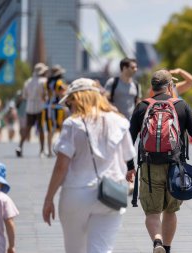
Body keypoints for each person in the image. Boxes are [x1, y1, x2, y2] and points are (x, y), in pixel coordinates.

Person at [42, 78, 136, 253]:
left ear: (77, 99)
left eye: (69, 103)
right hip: (111, 193)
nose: (70, 108)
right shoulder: (120, 121)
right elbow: (128, 157)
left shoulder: (73, 123)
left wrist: (49, 199)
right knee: (101, 250)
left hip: (76, 193)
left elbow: (61, 166)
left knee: (75, 249)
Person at [126, 69, 192, 253]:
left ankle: (157, 241)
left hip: (149, 166)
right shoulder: (181, 105)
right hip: (175, 167)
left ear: (152, 87)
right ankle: (167, 248)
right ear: (170, 86)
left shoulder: (142, 106)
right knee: (170, 211)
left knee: (152, 212)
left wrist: (129, 166)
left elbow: (128, 139)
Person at [15, 63, 48, 157]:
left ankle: (20, 146)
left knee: (27, 128)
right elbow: (45, 95)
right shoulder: (44, 81)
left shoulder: (28, 81)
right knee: (41, 128)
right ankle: (42, 150)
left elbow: (24, 96)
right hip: (40, 107)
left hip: (29, 107)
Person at [43, 64, 67, 157]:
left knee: (50, 130)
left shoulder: (47, 82)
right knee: (61, 128)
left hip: (48, 106)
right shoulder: (59, 83)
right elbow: (62, 94)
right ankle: (60, 150)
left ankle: (49, 151)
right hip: (57, 107)